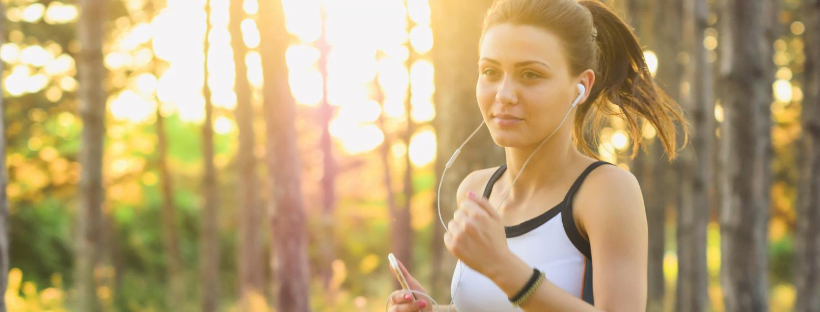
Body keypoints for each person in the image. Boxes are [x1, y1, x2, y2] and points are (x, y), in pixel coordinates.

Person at [387, 0, 689, 311]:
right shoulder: (476, 190)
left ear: (581, 86)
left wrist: (505, 269)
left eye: (530, 74)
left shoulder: (606, 191)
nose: (504, 94)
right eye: (490, 71)